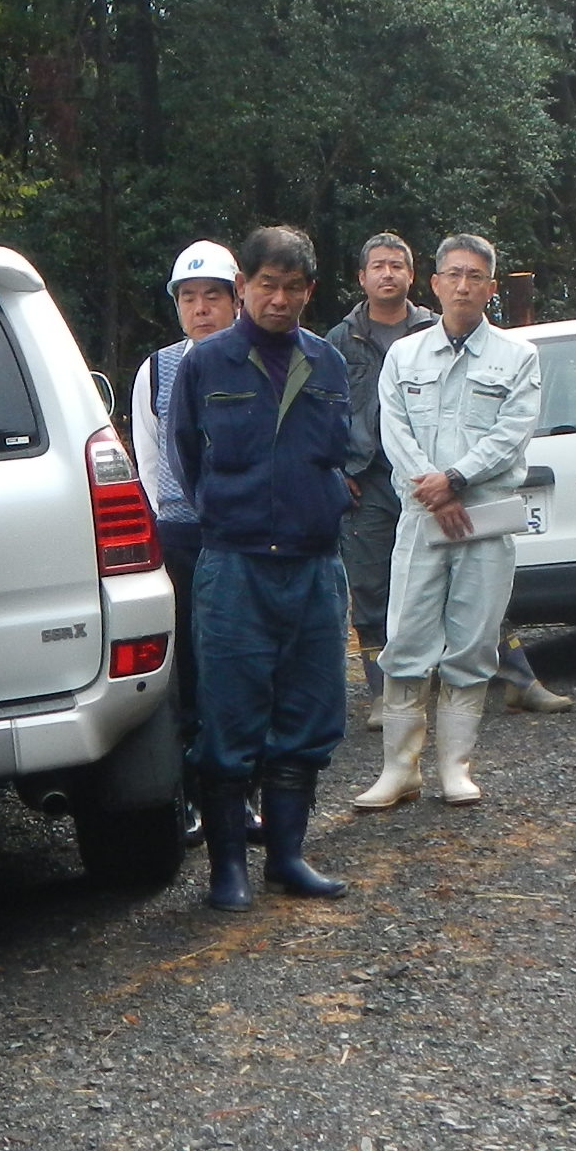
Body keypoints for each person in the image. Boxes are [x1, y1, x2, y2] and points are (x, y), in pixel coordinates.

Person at [166, 225, 355, 908]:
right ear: (244, 286)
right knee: (228, 719)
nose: (279, 299)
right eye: (267, 285)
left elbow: (338, 455)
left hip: (313, 568)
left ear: (310, 290)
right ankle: (227, 871)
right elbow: (186, 456)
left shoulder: (327, 363)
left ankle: (287, 858)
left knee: (309, 715)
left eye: (293, 287)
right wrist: (236, 513)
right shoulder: (206, 365)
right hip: (235, 566)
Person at [352, 235, 543, 810]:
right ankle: (398, 769)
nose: (464, 286)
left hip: (484, 515)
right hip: (420, 517)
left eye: (476, 276)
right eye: (453, 275)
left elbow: (513, 430)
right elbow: (394, 429)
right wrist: (433, 488)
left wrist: (456, 479)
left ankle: (455, 768)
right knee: (407, 638)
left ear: (491, 286)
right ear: (433, 284)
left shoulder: (518, 357)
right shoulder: (404, 357)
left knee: (473, 640)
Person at [135, 241, 241, 798]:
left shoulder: (260, 358)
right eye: (189, 298)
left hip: (246, 537)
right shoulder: (156, 369)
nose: (201, 309)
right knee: (190, 669)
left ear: (235, 299)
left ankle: (246, 793)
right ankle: (195, 794)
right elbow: (149, 466)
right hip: (180, 537)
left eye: (212, 297)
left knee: (244, 665)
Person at [328, 234, 426, 708]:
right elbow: (321, 411)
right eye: (378, 266)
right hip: (366, 478)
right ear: (362, 277)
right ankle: (384, 694)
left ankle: (512, 679)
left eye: (397, 265)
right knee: (369, 587)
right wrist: (336, 468)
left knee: (454, 576)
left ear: (412, 274)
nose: (388, 273)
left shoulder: (435, 330)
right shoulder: (338, 341)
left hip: (429, 477)